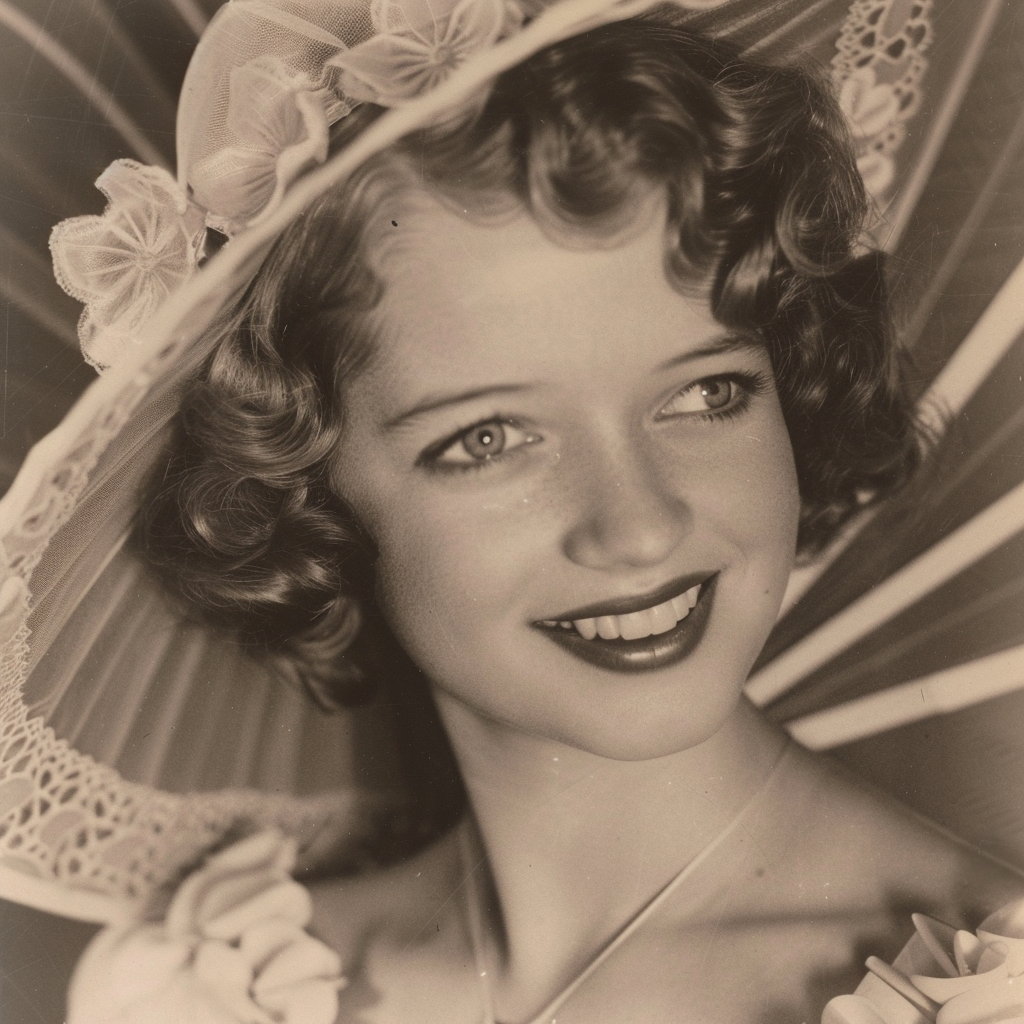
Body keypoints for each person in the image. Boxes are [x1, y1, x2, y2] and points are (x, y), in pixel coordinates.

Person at [42, 2, 1024, 1023]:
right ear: (302, 484)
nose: (638, 528)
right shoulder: (196, 993)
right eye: (488, 438)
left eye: (705, 393)